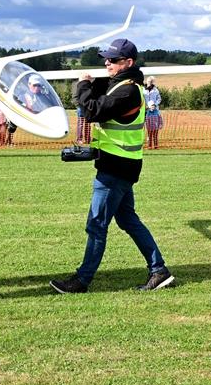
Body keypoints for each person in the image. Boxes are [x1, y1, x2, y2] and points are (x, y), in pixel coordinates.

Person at [50, 38, 174, 294]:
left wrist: (83, 84)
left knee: (96, 224)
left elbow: (92, 110)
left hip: (115, 169)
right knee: (128, 220)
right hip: (121, 165)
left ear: (127, 63)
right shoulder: (121, 85)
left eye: (113, 60)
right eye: (106, 59)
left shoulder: (128, 91)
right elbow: (100, 98)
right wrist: (92, 84)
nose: (107, 63)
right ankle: (159, 270)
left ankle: (81, 280)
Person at [143, 76, 163, 149]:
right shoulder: (143, 90)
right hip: (145, 111)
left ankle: (155, 145)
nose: (150, 83)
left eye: (152, 81)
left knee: (154, 128)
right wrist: (145, 106)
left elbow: (159, 99)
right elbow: (141, 99)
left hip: (154, 111)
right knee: (147, 129)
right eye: (149, 81)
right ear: (147, 82)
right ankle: (148, 145)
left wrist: (155, 104)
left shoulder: (156, 90)